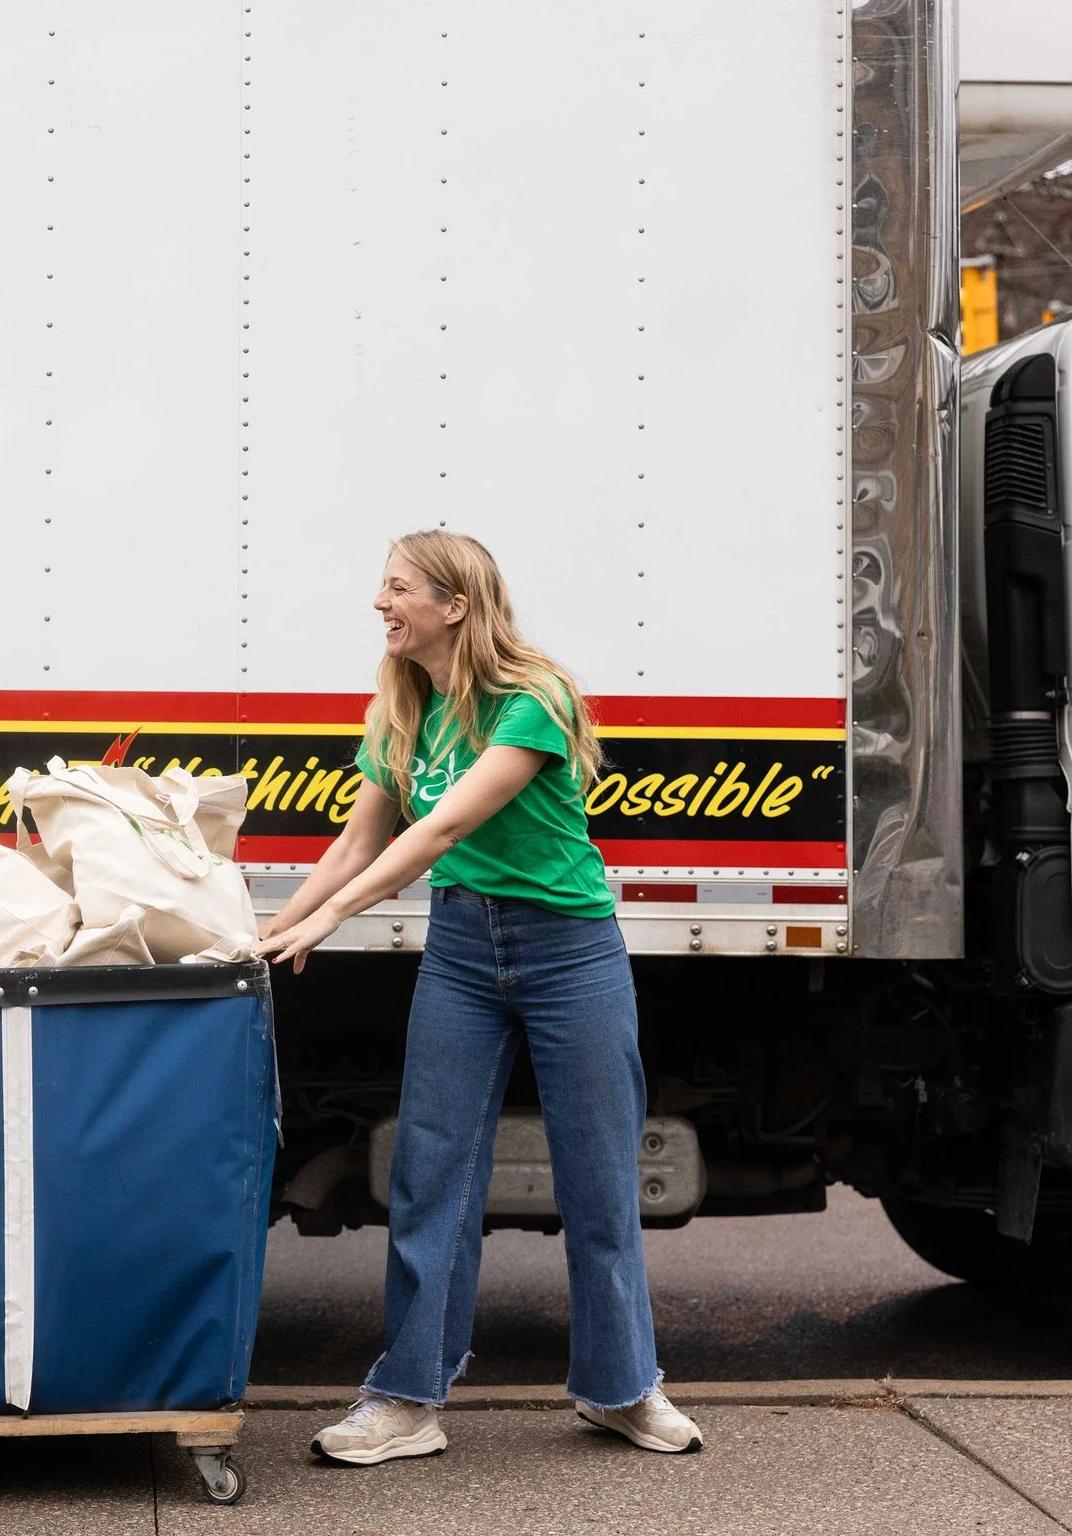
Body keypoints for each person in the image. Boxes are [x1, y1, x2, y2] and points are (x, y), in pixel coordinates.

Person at [258, 531, 702, 1465]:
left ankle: (623, 1389)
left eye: (399, 588)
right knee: (431, 1173)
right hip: (463, 945)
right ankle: (407, 1397)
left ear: (454, 604)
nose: (381, 604)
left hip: (569, 949)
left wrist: (331, 919)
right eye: (382, 587)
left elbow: (447, 823)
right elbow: (353, 843)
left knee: (598, 1176)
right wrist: (263, 935)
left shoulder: (532, 699)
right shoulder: (400, 710)